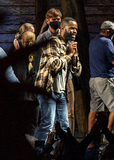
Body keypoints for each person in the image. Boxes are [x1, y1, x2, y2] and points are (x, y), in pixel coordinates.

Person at [34, 17, 82, 147]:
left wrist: (74, 55)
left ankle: (57, 154)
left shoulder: (69, 46)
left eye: (76, 29)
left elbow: (77, 71)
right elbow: (54, 65)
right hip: (48, 90)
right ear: (62, 28)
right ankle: (37, 154)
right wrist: (69, 55)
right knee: (47, 124)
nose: (74, 31)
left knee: (63, 126)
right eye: (71, 28)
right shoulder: (52, 42)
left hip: (61, 91)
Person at [88, 21, 114, 132]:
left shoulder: (93, 42)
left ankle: (89, 137)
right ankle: (108, 134)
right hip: (105, 79)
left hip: (93, 80)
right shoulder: (106, 42)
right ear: (108, 31)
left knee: (94, 110)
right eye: (113, 32)